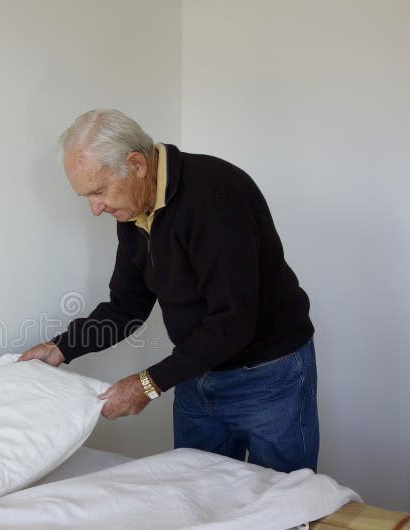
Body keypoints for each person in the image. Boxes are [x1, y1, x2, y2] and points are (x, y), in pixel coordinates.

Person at [19, 109, 319, 473]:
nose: (95, 209)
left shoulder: (215, 196)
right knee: (195, 494)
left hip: (267, 374)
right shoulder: (133, 211)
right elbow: (126, 306)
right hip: (197, 371)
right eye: (87, 196)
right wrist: (61, 348)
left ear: (137, 164)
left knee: (283, 501)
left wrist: (147, 385)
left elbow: (233, 321)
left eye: (98, 191)